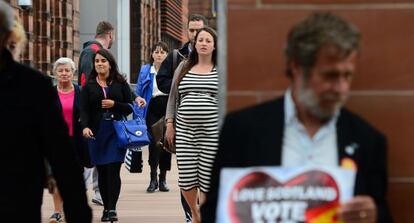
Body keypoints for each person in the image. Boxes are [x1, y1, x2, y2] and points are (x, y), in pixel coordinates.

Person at [201, 12, 393, 223]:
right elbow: (214, 212)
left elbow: (382, 212)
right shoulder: (242, 130)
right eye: (330, 75)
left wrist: (373, 215)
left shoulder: (367, 140)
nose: (341, 88)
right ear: (296, 67)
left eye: (347, 75)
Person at [0, 1, 92, 222]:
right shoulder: (35, 85)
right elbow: (62, 157)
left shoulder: (35, 87)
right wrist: (78, 212)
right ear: (12, 36)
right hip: (18, 199)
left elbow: (62, 156)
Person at [156, 13, 208, 223]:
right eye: (192, 30)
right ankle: (190, 215)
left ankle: (204, 214)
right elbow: (162, 82)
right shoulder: (177, 57)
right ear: (187, 31)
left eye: (199, 30)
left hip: (209, 128)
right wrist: (183, 91)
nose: (196, 35)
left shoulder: (215, 58)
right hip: (183, 125)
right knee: (187, 174)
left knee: (206, 175)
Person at [165, 26, 218, 223]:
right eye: (200, 40)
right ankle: (195, 214)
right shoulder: (183, 67)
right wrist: (170, 124)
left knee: (206, 179)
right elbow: (172, 97)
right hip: (186, 132)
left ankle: (204, 217)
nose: (203, 43)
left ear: (214, 46)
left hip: (212, 133)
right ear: (194, 44)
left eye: (208, 41)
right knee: (186, 180)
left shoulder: (220, 69)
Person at [80, 48, 133, 222]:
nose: (100, 64)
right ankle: (106, 208)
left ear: (110, 63)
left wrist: (114, 104)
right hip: (97, 132)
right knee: (102, 171)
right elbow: (84, 110)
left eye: (103, 61)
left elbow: (129, 106)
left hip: (116, 132)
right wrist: (85, 127)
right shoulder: (89, 86)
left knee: (113, 169)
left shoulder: (120, 82)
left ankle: (112, 208)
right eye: (97, 61)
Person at [79, 20, 115, 206]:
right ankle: (89, 191)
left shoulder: (91, 52)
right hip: (93, 114)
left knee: (99, 153)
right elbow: (86, 82)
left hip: (101, 113)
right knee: (90, 155)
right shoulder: (91, 52)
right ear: (110, 35)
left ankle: (99, 191)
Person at [48, 57, 85, 223]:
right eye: (60, 70)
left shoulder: (80, 92)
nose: (64, 73)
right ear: (55, 73)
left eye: (67, 70)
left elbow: (88, 114)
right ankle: (57, 211)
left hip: (76, 141)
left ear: (73, 73)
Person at [134, 41, 172, 193]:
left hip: (167, 108)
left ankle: (163, 179)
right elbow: (138, 91)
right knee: (154, 144)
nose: (159, 54)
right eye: (156, 52)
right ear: (152, 54)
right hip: (152, 108)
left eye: (162, 52)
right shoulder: (146, 70)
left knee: (166, 143)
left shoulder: (171, 70)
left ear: (167, 55)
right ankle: (153, 178)